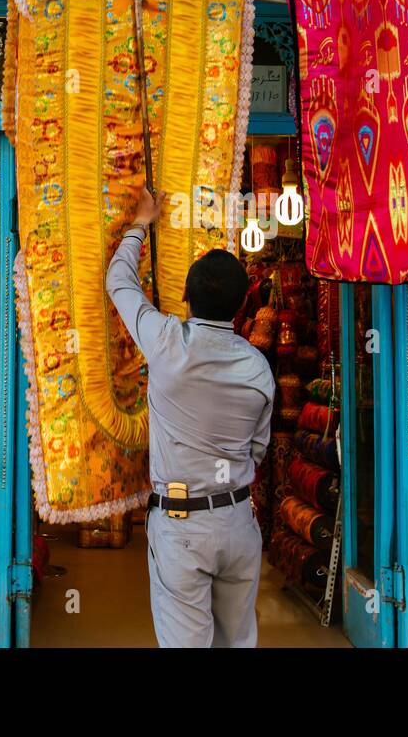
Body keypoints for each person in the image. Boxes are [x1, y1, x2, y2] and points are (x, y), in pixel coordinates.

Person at [105, 186, 274, 648]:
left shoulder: (165, 341)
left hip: (182, 527)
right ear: (243, 307)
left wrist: (141, 223)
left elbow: (119, 282)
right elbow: (257, 449)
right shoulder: (259, 370)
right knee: (237, 640)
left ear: (184, 295)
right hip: (237, 522)